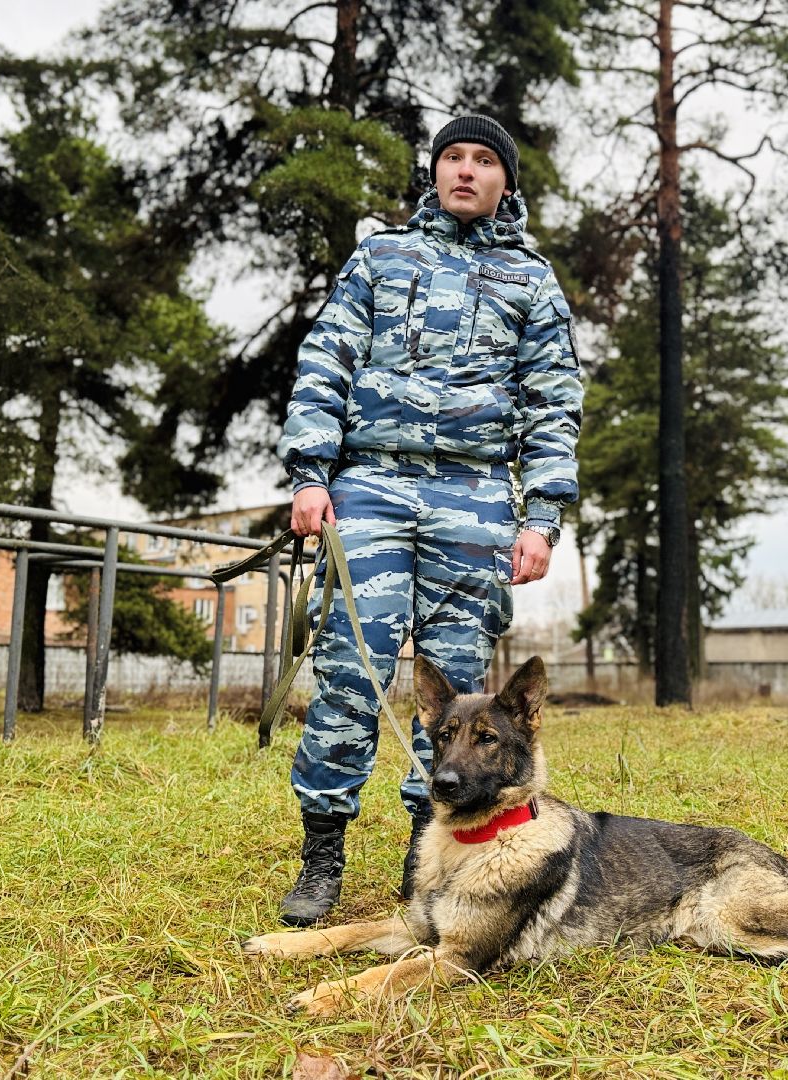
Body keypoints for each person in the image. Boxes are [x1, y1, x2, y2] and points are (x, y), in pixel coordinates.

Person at [273, 114, 583, 926]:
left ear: (506, 182)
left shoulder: (532, 283)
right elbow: (326, 358)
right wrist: (311, 472)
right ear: (435, 171)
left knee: (455, 699)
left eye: (485, 161)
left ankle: (426, 855)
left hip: (475, 501)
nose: (467, 171)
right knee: (350, 672)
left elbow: (554, 406)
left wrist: (541, 518)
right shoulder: (380, 255)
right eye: (454, 157)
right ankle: (322, 855)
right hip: (370, 487)